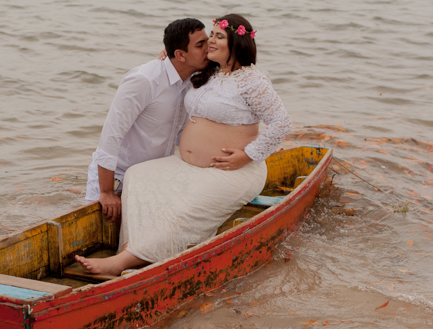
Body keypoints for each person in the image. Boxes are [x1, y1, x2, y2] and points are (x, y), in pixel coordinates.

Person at [76, 14, 291, 276]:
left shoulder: (253, 82)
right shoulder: (207, 73)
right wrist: (169, 55)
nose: (210, 41)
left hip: (232, 170)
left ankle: (122, 263)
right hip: (190, 166)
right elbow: (180, 61)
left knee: (185, 211)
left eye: (217, 37)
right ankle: (132, 249)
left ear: (236, 43)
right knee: (137, 175)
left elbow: (281, 123)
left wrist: (247, 155)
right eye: (209, 37)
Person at [85, 18, 209, 224]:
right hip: (116, 181)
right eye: (200, 45)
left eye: (207, 41)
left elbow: (181, 137)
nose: (209, 48)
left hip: (151, 182)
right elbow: (110, 136)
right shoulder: (144, 80)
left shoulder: (192, 81)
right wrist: (107, 192)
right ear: (180, 54)